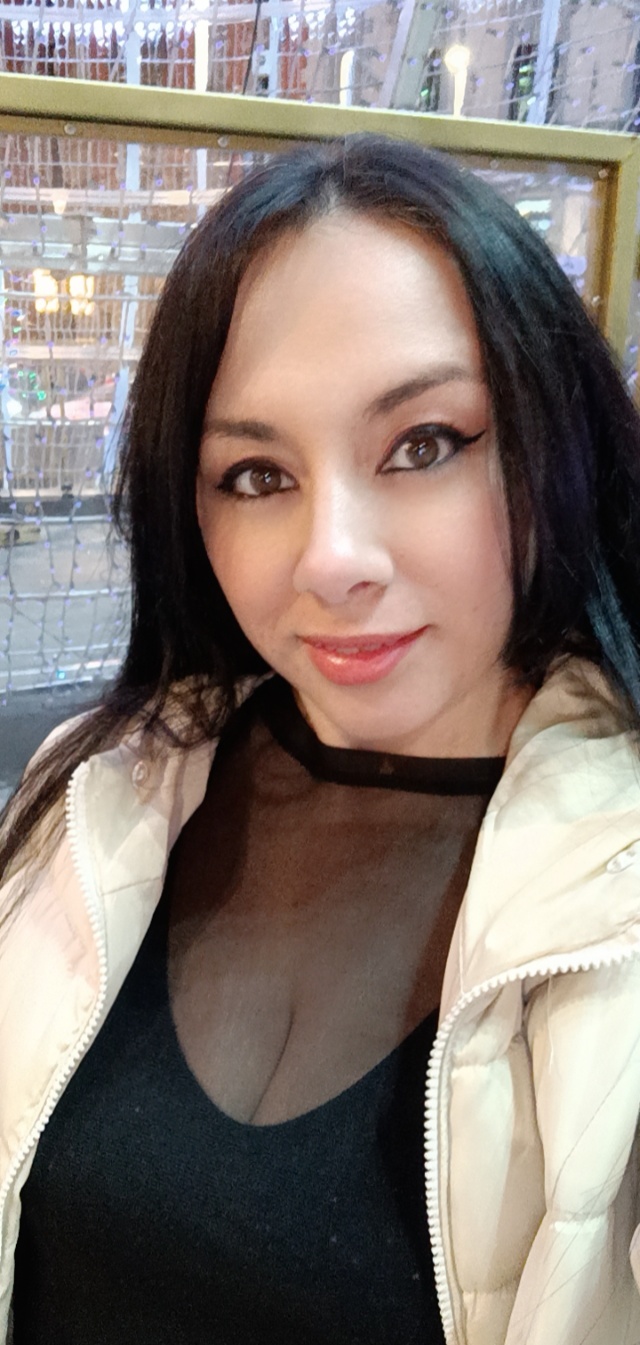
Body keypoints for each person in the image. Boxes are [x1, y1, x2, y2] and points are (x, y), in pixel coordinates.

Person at [2, 132, 640, 1345]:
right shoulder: (93, 792)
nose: (332, 560)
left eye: (423, 445)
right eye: (255, 474)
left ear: (554, 439)